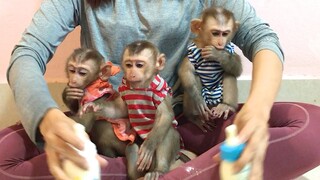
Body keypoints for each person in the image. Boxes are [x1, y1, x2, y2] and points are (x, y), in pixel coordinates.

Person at [2, 0, 320, 179]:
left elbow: (262, 39)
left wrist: (257, 109)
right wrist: (48, 120)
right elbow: (27, 53)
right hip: (105, 134)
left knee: (311, 128)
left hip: (183, 126)